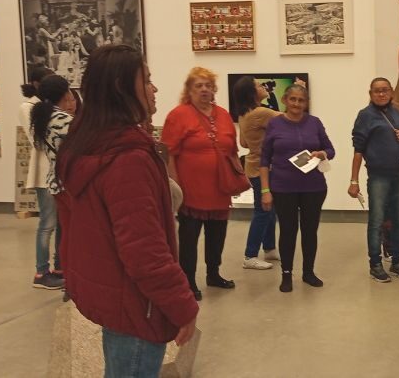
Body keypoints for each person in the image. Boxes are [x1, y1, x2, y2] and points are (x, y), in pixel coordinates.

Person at [55, 45, 198, 378]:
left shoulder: (90, 144)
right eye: (147, 79)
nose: (154, 87)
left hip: (116, 298)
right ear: (122, 88)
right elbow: (144, 251)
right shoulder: (126, 159)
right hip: (137, 306)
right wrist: (183, 306)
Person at [162, 67, 237, 301]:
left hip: (219, 189)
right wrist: (175, 185)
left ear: (214, 89)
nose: (204, 89)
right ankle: (188, 280)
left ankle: (213, 273)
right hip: (191, 190)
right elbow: (169, 152)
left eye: (208, 85)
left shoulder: (223, 114)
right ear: (189, 90)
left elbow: (231, 148)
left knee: (217, 235)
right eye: (198, 85)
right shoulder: (178, 115)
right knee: (189, 238)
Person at [260, 85, 334, 293]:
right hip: (283, 187)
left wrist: (321, 153)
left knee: (310, 231)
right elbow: (264, 159)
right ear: (285, 100)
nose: (296, 104)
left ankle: (308, 272)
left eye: (301, 100)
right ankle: (286, 274)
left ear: (306, 103)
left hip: (314, 187)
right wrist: (265, 191)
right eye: (292, 99)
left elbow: (331, 149)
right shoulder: (275, 124)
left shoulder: (315, 123)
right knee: (288, 230)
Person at [349, 78, 399, 282]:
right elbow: (358, 150)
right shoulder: (365, 116)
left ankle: (397, 262)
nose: (381, 94)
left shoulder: (396, 113)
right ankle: (375, 264)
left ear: (391, 92)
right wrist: (354, 180)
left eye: (384, 90)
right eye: (376, 91)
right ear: (370, 94)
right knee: (377, 221)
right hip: (378, 176)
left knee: (398, 220)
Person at [18, 66, 64, 290]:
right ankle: (41, 271)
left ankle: (59, 267)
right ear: (37, 84)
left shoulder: (50, 108)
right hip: (44, 172)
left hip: (57, 172)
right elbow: (37, 139)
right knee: (47, 223)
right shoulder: (29, 108)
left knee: (61, 222)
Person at [232, 76, 281, 270]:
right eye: (259, 85)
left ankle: (269, 248)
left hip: (253, 166)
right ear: (252, 93)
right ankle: (250, 255)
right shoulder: (261, 112)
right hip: (264, 168)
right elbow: (289, 118)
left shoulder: (244, 114)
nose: (264, 87)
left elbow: (243, 143)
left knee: (269, 209)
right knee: (263, 211)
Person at [30, 74, 75, 197]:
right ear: (65, 93)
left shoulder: (43, 118)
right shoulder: (62, 119)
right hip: (69, 182)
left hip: (55, 180)